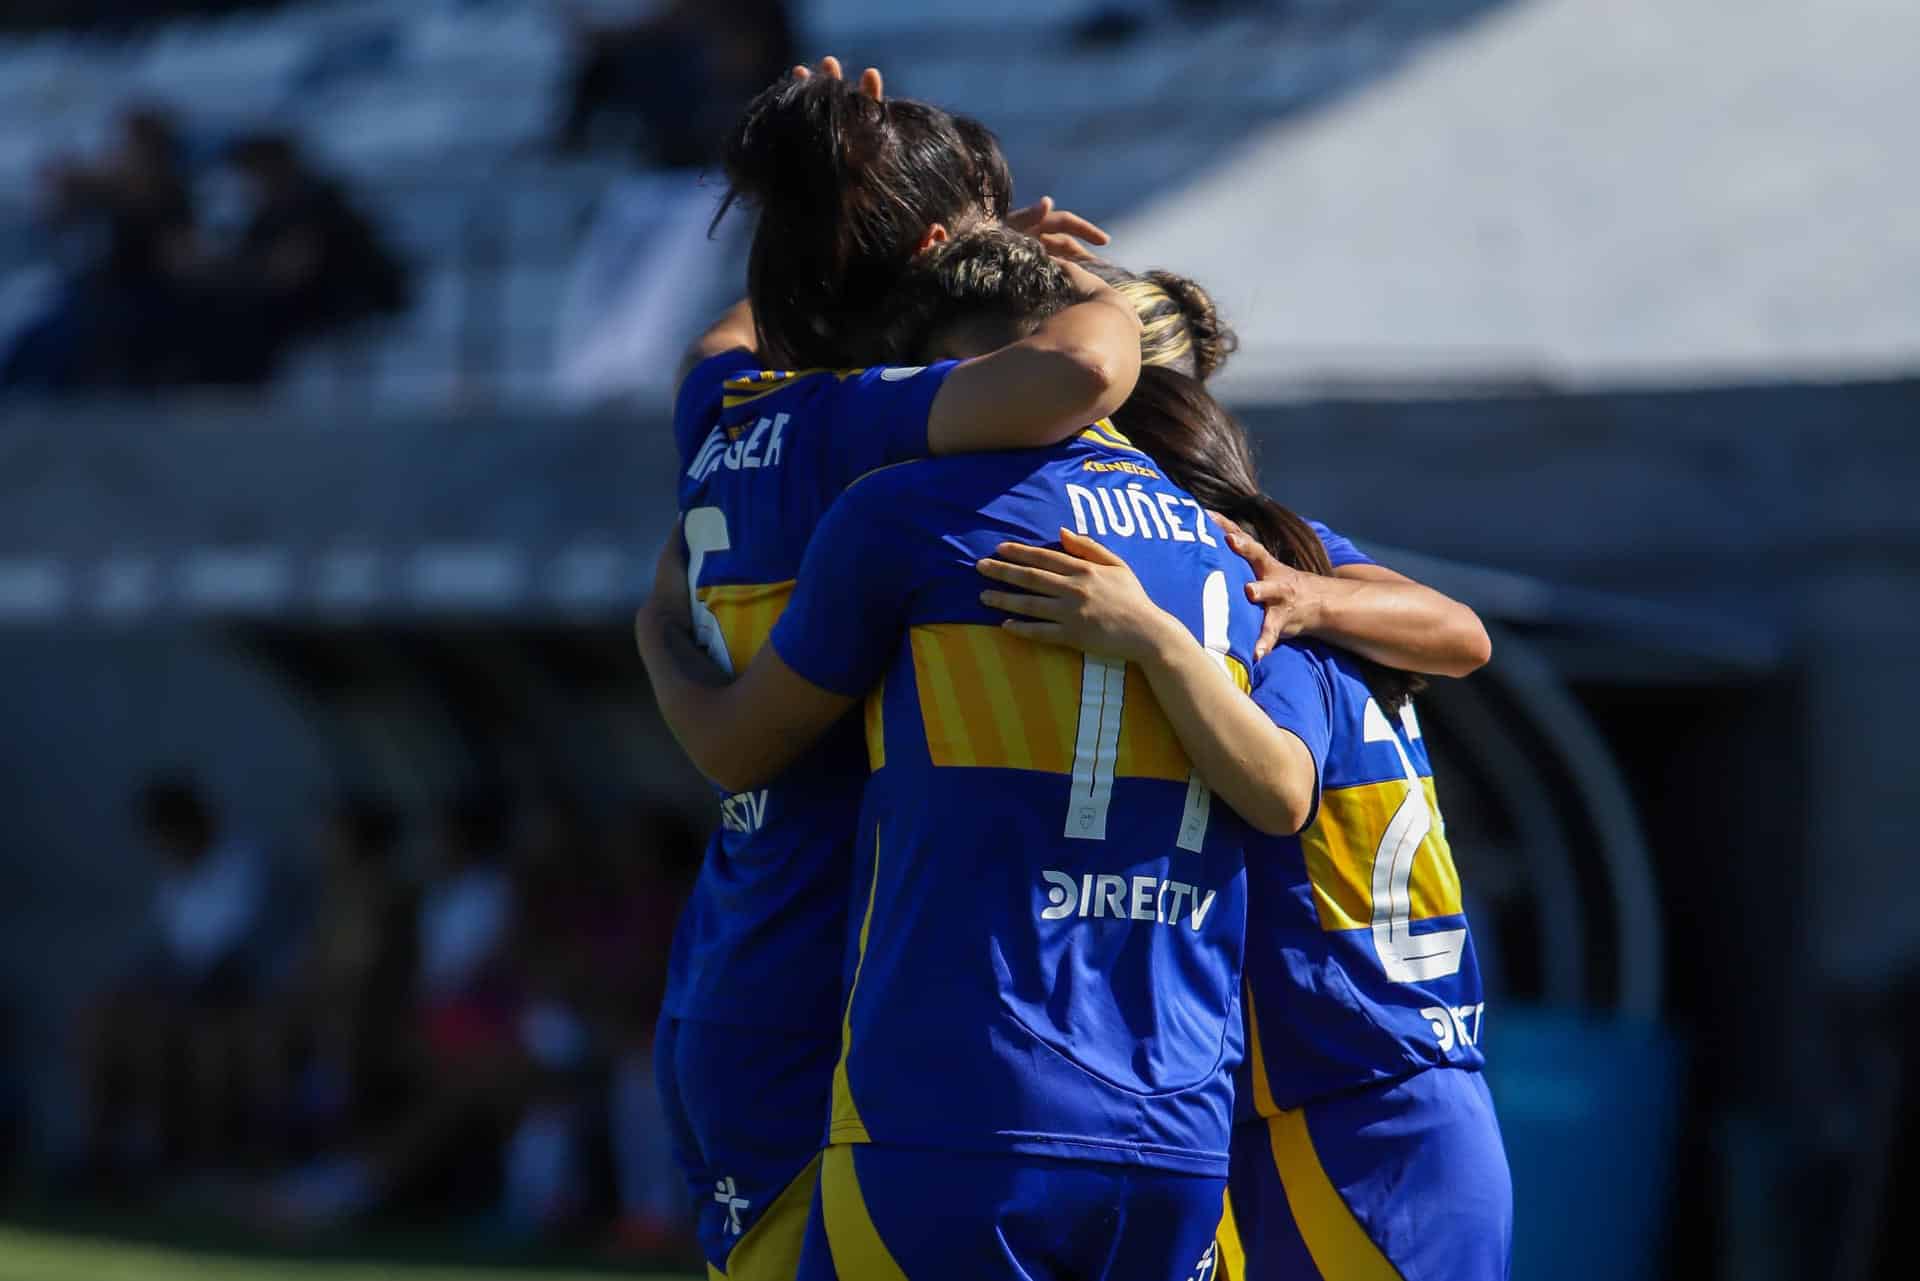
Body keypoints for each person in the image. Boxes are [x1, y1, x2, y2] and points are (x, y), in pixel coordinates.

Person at [637, 226, 1270, 1281]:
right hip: (1181, 1108)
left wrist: (659, 638)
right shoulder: (1245, 555)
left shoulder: (905, 513)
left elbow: (736, 747)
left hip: (956, 1090)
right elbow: (1292, 789)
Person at [648, 60, 1130, 1280]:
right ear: (926, 255)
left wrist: (862, 224)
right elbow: (1078, 371)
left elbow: (739, 321)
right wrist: (1075, 283)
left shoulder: (728, 408)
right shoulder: (858, 429)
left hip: (739, 963)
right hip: (834, 989)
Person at [976, 366, 1513, 1281]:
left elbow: (1282, 787)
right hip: (1412, 1104)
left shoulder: (1273, 633)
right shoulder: (1316, 590)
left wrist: (1152, 634)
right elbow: (1464, 634)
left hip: (1351, 1119)